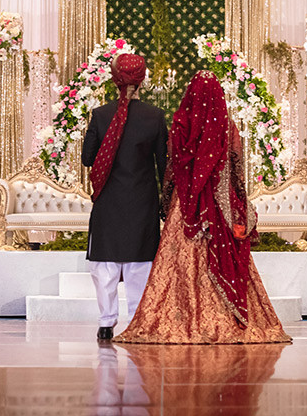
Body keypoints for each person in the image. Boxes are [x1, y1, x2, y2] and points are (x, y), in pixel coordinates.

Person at [114, 71, 291, 344]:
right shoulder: (227, 126)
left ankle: (178, 321)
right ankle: (231, 320)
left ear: (190, 94)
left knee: (175, 266)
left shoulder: (180, 126)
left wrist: (166, 203)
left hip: (185, 206)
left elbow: (171, 169)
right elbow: (235, 169)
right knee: (224, 260)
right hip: (218, 206)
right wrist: (239, 202)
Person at [81, 52, 168, 341]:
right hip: (142, 202)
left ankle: (106, 324)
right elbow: (164, 165)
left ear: (114, 78)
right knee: (138, 267)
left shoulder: (99, 115)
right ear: (142, 80)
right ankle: (135, 323)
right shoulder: (154, 116)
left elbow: (87, 158)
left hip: (108, 201)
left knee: (105, 266)